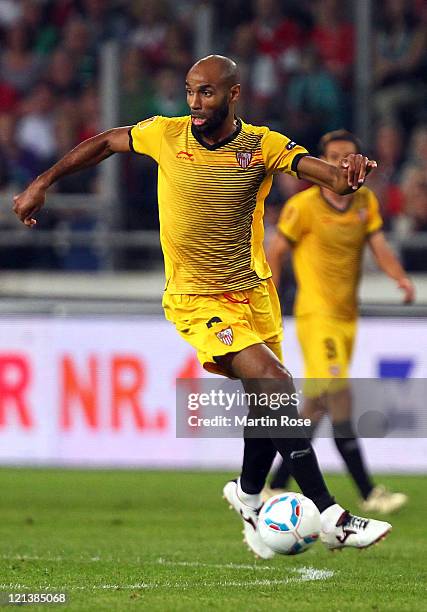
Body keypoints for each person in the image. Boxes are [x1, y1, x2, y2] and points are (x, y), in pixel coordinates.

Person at [13, 55, 392, 559]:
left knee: (265, 400)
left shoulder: (262, 145)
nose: (194, 103)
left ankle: (250, 497)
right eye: (190, 92)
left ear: (233, 95)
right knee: (277, 383)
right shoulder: (167, 134)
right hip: (196, 298)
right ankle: (329, 514)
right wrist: (43, 182)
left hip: (254, 294)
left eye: (206, 93)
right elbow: (106, 141)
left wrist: (348, 173)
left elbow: (325, 176)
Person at [265, 129, 414, 512]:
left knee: (315, 405)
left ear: (358, 162)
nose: (341, 164)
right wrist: (271, 296)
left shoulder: (365, 201)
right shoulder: (304, 206)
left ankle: (273, 485)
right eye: (333, 157)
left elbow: (378, 244)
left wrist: (398, 276)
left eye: (348, 157)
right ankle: (368, 492)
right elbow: (277, 251)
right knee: (339, 396)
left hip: (347, 318)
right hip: (317, 316)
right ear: (323, 162)